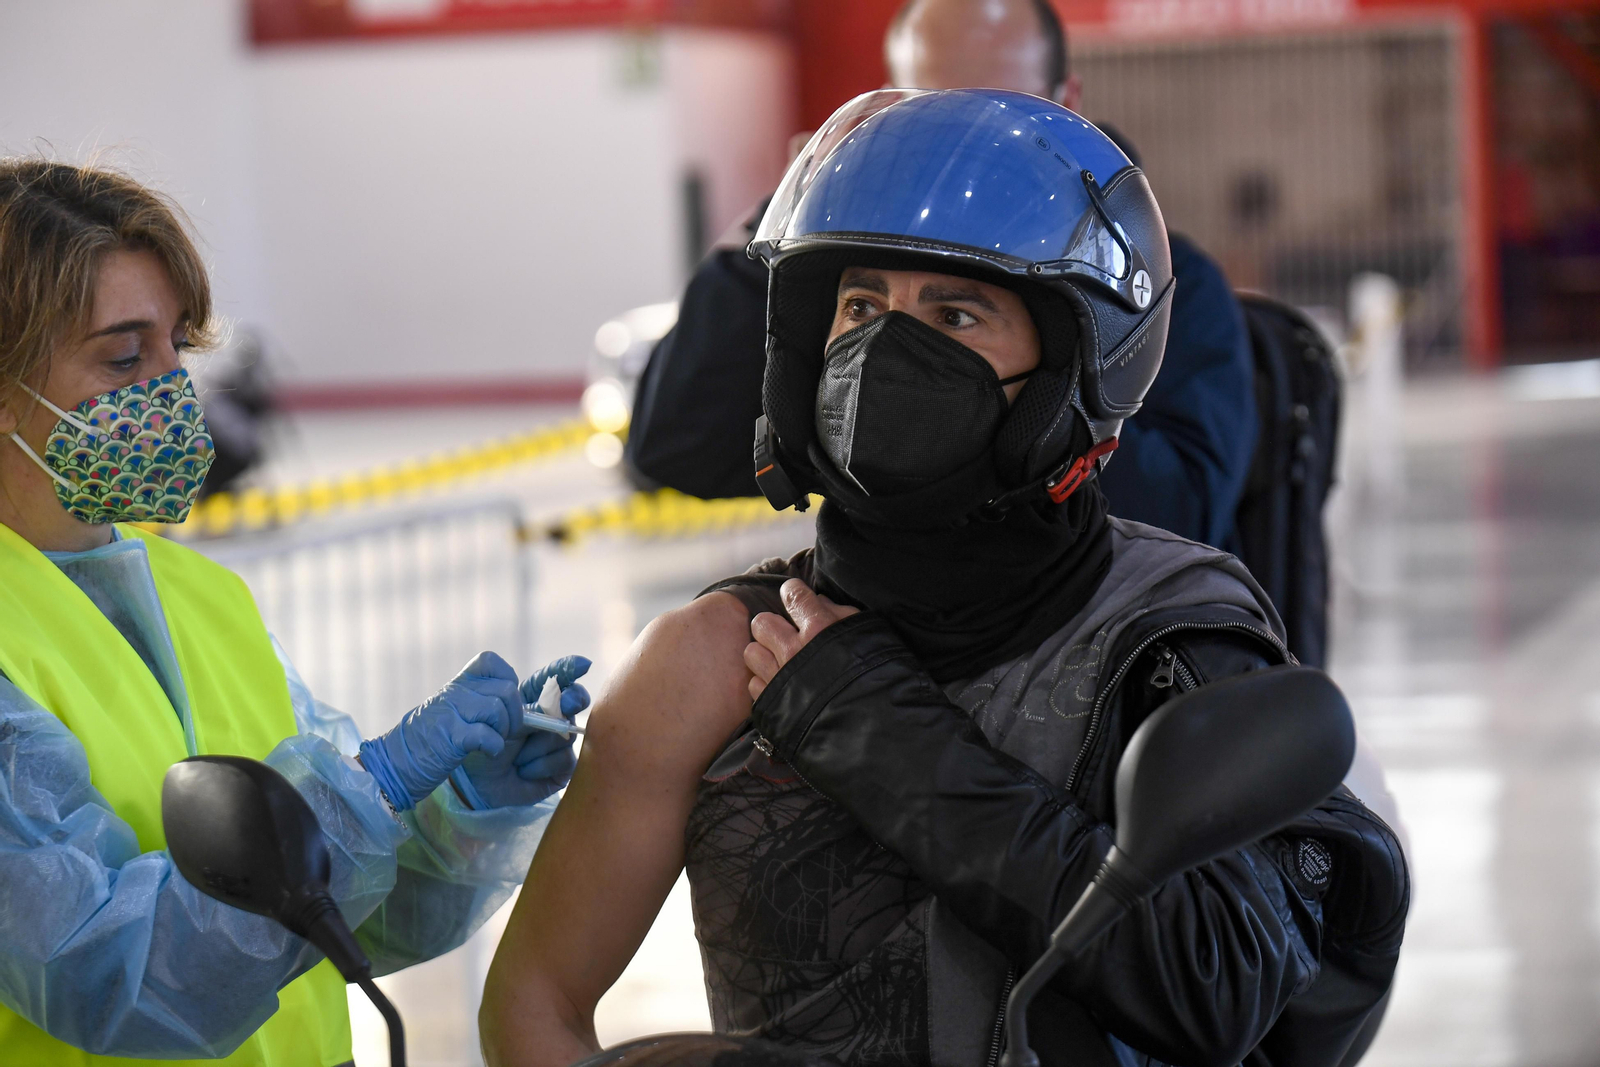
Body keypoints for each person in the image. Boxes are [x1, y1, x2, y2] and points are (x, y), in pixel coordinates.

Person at [482, 90, 1406, 1067]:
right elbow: (533, 1002)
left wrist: (890, 743)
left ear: (1071, 367)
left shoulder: (1170, 633)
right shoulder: (708, 661)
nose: (885, 351)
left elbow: (1219, 989)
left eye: (955, 313)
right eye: (859, 305)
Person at [0, 159, 590, 1066]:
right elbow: (109, 975)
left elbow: (334, 919)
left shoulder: (199, 597)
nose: (170, 388)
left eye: (175, 349)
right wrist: (372, 785)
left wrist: (458, 805)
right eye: (125, 355)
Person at [625, 0, 1256, 549]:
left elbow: (1184, 518)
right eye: (929, 107)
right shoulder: (857, 278)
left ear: (1069, 103)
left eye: (1004, 110)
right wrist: (793, 228)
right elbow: (674, 446)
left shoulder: (1175, 288)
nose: (966, 145)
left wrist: (1039, 407)